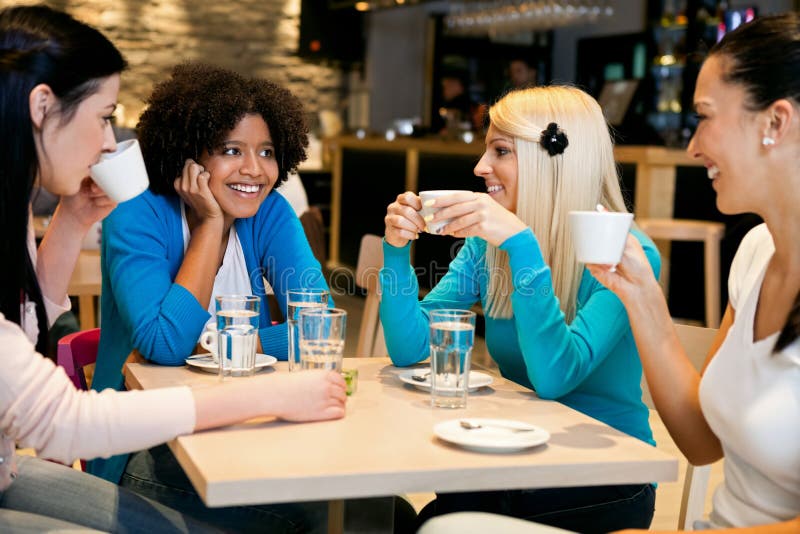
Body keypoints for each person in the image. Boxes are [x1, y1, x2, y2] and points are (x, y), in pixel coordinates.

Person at [0, 5, 346, 532]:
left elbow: (316, 324)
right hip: (144, 441)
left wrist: (71, 218)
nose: (111, 143)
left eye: (267, 152)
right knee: (314, 514)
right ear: (43, 106)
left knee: (364, 501)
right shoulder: (141, 212)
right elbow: (160, 349)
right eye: (103, 116)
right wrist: (209, 229)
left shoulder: (267, 210)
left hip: (23, 467)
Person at [380, 85, 660, 532]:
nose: (480, 167)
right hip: (514, 456)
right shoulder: (484, 247)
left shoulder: (625, 255)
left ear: (554, 158)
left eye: (500, 151)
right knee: (394, 517)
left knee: (437, 522)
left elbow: (555, 378)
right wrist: (396, 250)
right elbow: (410, 349)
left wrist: (521, 245)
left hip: (607, 479)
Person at [586, 13, 800, 533]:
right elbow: (703, 442)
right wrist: (643, 301)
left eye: (705, 116)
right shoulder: (755, 253)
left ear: (775, 122)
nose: (693, 146)